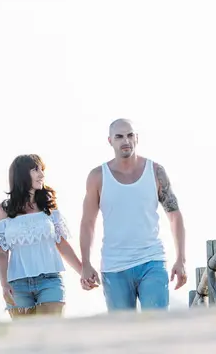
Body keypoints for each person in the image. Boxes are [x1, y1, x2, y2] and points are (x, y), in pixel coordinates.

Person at [79, 118, 187, 312]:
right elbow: (88, 223)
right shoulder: (97, 177)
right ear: (110, 141)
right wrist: (86, 263)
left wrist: (181, 259)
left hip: (152, 260)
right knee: (122, 332)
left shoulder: (156, 171)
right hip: (114, 267)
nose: (125, 141)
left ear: (137, 138)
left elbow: (175, 216)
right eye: (119, 137)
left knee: (156, 326)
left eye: (130, 135)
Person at [0, 154, 92, 319]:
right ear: (22, 174)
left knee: (51, 334)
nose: (41, 174)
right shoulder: (4, 210)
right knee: (25, 339)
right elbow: (1, 252)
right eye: (35, 169)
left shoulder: (48, 206)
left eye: (42, 170)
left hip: (50, 281)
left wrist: (82, 271)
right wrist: (4, 283)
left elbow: (61, 244)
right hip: (17, 285)